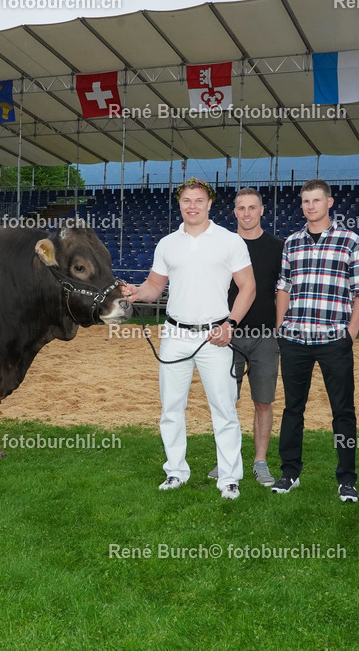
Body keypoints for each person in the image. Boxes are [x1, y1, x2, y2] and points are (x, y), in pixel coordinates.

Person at [121, 177, 255, 500]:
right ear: (179, 204)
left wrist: (230, 324)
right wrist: (137, 292)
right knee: (171, 408)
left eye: (198, 200)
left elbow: (248, 288)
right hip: (175, 334)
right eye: (186, 201)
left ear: (210, 204)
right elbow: (155, 288)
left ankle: (229, 478)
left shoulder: (230, 241)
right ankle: (176, 472)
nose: (192, 206)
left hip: (215, 336)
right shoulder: (167, 244)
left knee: (224, 409)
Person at [273, 179, 359, 501]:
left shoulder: (350, 240)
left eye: (316, 200)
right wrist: (280, 327)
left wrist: (351, 330)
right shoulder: (292, 242)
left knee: (343, 411)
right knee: (292, 409)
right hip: (295, 338)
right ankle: (290, 473)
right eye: (305, 201)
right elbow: (284, 287)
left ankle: (347, 479)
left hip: (334, 339)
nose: (310, 206)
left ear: (329, 202)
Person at [208, 187, 284, 487]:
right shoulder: (223, 246)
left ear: (262, 210)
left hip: (265, 336)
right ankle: (225, 459)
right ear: (235, 212)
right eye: (242, 208)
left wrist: (279, 329)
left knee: (263, 401)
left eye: (253, 207)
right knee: (226, 401)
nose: (247, 213)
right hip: (229, 336)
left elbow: (283, 291)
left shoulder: (278, 247)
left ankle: (260, 462)